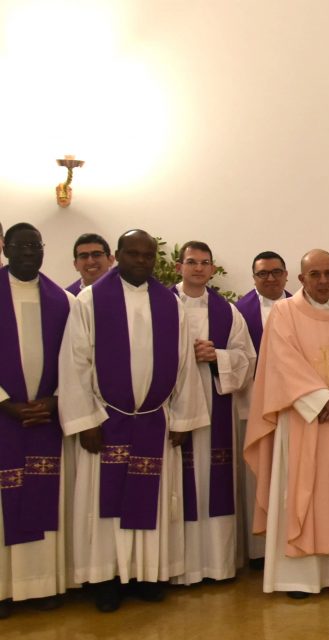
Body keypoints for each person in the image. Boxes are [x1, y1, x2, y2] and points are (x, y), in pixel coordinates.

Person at [59, 229, 207, 612]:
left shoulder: (169, 303)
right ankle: (106, 578)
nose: (141, 260)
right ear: (118, 256)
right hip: (107, 422)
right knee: (103, 504)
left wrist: (181, 418)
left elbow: (183, 364)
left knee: (153, 501)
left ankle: (148, 573)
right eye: (133, 253)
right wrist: (86, 419)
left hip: (155, 423)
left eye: (147, 255)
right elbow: (75, 363)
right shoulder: (90, 300)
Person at [244, 249, 329, 597]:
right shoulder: (284, 314)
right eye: (313, 275)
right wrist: (321, 399)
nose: (321, 281)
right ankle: (300, 577)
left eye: (327, 274)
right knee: (303, 491)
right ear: (301, 279)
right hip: (303, 420)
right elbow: (282, 364)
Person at [0, 223, 74, 617]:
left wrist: (54, 400)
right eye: (20, 246)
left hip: (48, 417)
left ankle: (42, 585)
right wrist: (5, 402)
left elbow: (79, 358)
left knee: (44, 494)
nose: (29, 252)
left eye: (35, 245)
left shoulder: (62, 300)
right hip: (2, 418)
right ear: (5, 249)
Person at [171, 242, 255, 585]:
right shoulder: (162, 304)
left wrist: (216, 356)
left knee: (214, 479)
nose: (198, 269)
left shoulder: (228, 312)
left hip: (214, 403)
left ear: (212, 269)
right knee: (179, 483)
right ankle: (178, 567)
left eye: (205, 263)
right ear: (179, 266)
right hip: (174, 408)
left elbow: (246, 358)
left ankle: (217, 565)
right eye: (192, 262)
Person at [233, 250, 291, 566]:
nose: (270, 279)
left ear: (285, 275)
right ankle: (259, 550)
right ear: (254, 277)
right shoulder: (238, 312)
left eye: (275, 272)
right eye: (263, 274)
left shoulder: (303, 307)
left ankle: (287, 540)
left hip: (294, 406)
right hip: (255, 403)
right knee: (258, 472)